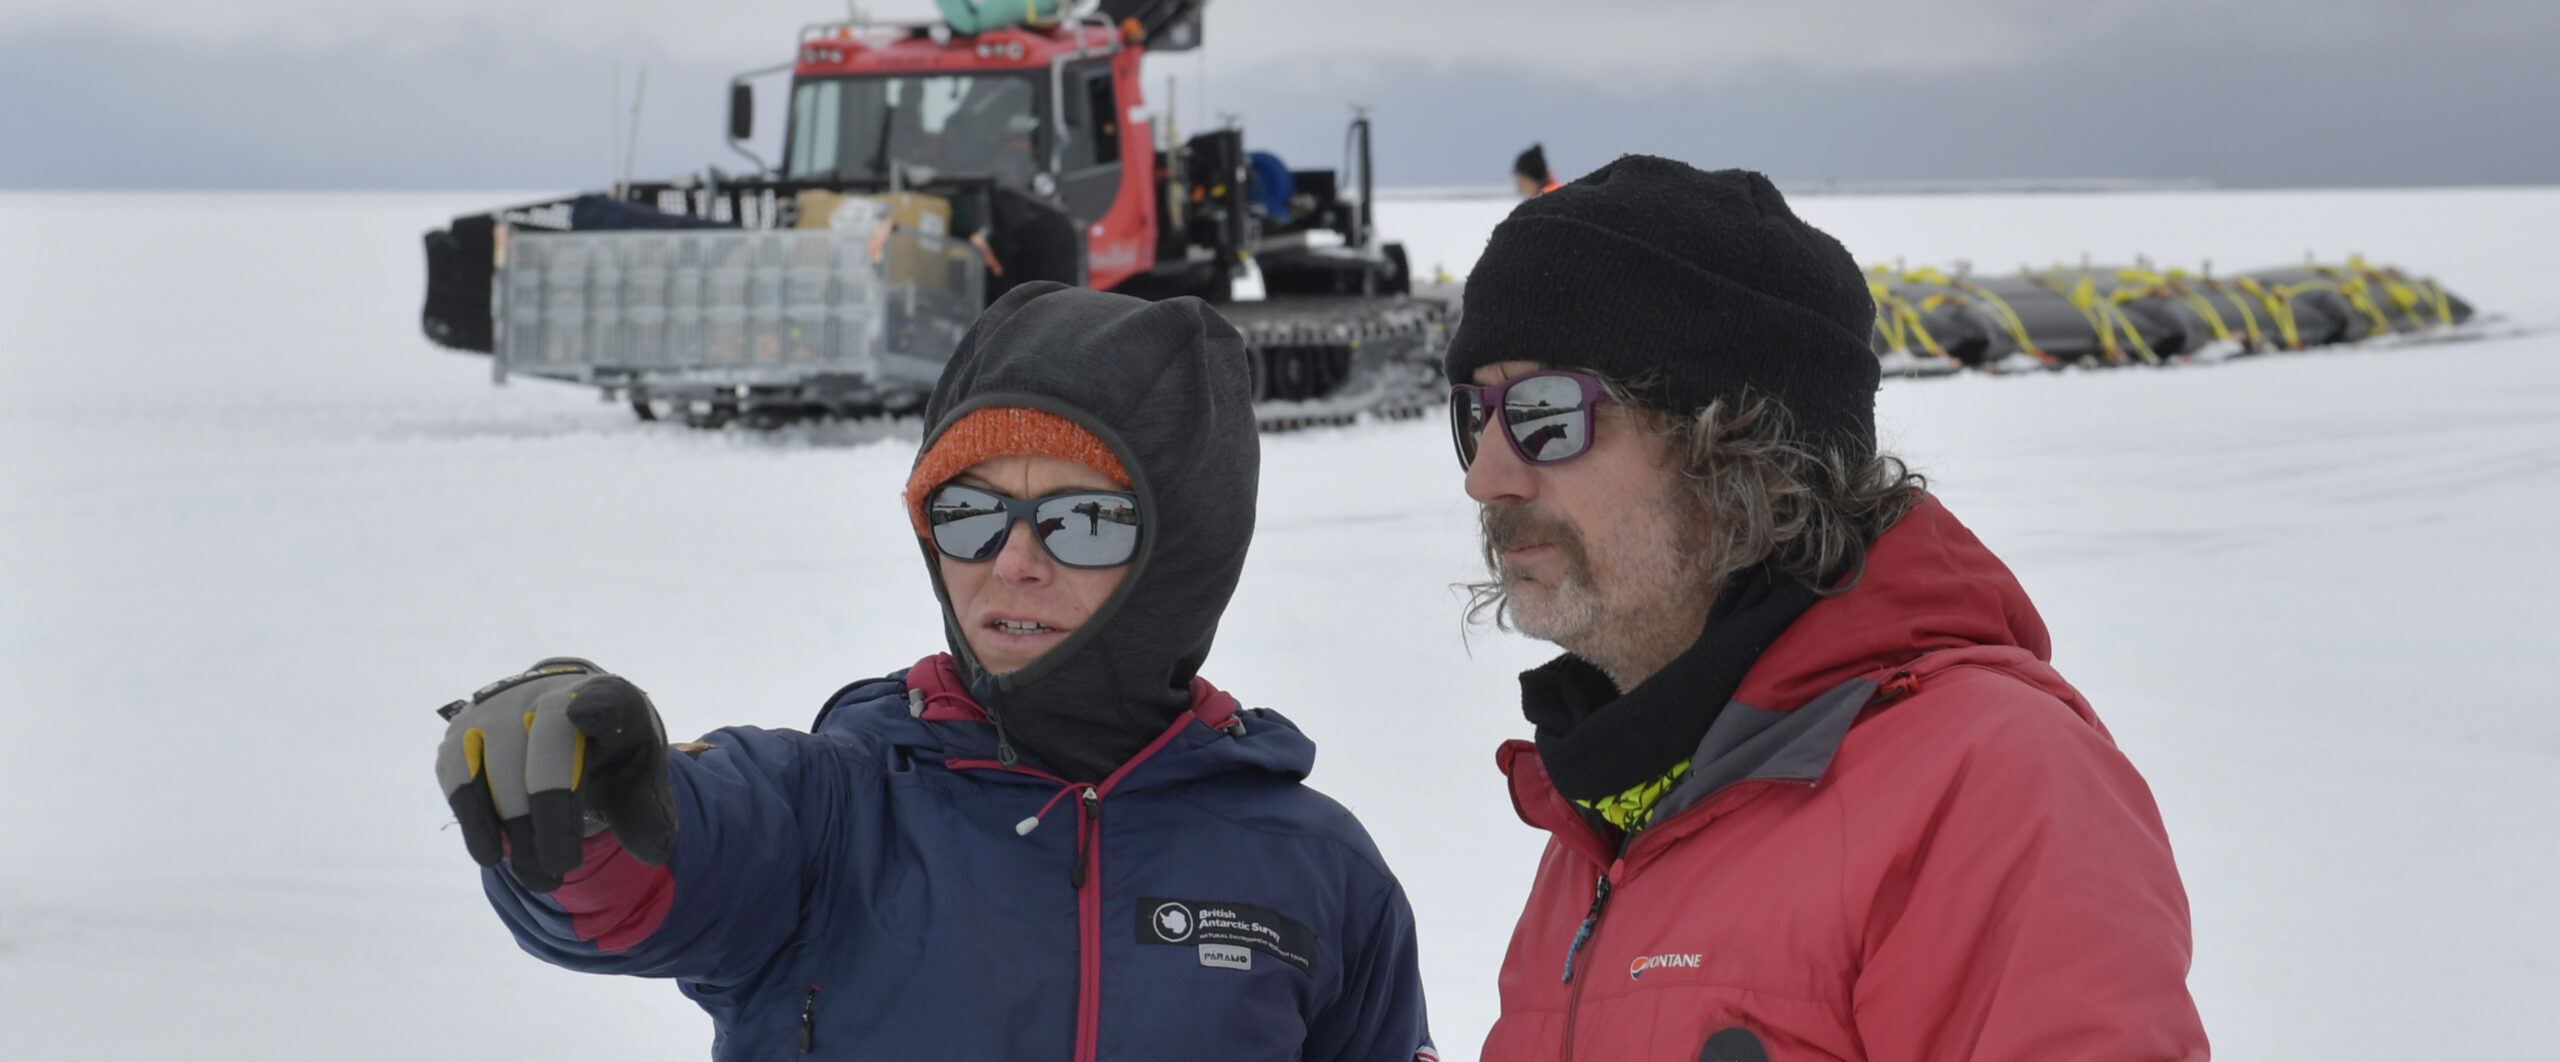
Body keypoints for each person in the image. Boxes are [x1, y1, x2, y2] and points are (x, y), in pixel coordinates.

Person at [434, 282, 1434, 1061]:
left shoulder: (1314, 870)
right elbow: (670, 863)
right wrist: (585, 805)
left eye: (1083, 521)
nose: (1012, 563)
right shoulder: (836, 814)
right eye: (969, 512)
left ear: (1184, 553)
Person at [1443, 155, 2208, 1060]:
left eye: (1544, 412)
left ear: (1742, 449)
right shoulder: (1608, 816)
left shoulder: (1992, 787)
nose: (1487, 477)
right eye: (1475, 416)